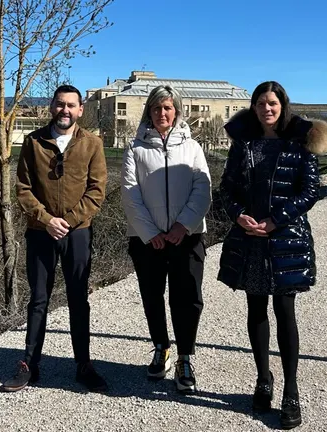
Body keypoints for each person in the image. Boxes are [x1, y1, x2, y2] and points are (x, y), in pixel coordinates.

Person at [217, 81, 327, 428]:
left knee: (285, 311)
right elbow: (227, 187)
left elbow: (310, 190)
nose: (267, 108)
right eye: (261, 103)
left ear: (283, 105)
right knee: (256, 309)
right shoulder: (244, 143)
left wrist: (276, 220)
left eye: (273, 102)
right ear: (253, 107)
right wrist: (239, 215)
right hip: (250, 239)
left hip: (286, 240)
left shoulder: (301, 140)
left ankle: (291, 392)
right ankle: (263, 379)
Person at [2, 84, 108, 393]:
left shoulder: (92, 144)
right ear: (51, 106)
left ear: (80, 110)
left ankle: (83, 364)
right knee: (38, 299)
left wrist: (69, 221)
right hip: (40, 232)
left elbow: (97, 190)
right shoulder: (34, 142)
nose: (65, 110)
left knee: (79, 299)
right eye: (60, 104)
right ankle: (29, 365)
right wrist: (47, 221)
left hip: (77, 234)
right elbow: (23, 188)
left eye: (71, 105)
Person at [121, 85, 212, 394]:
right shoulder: (135, 148)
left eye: (168, 108)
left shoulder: (193, 148)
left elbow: (203, 189)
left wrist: (182, 226)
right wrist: (151, 233)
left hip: (187, 238)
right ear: (150, 111)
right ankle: (161, 346)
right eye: (157, 108)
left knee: (187, 298)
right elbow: (130, 194)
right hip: (148, 240)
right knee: (152, 295)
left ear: (177, 111)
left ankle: (186, 355)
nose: (163, 113)